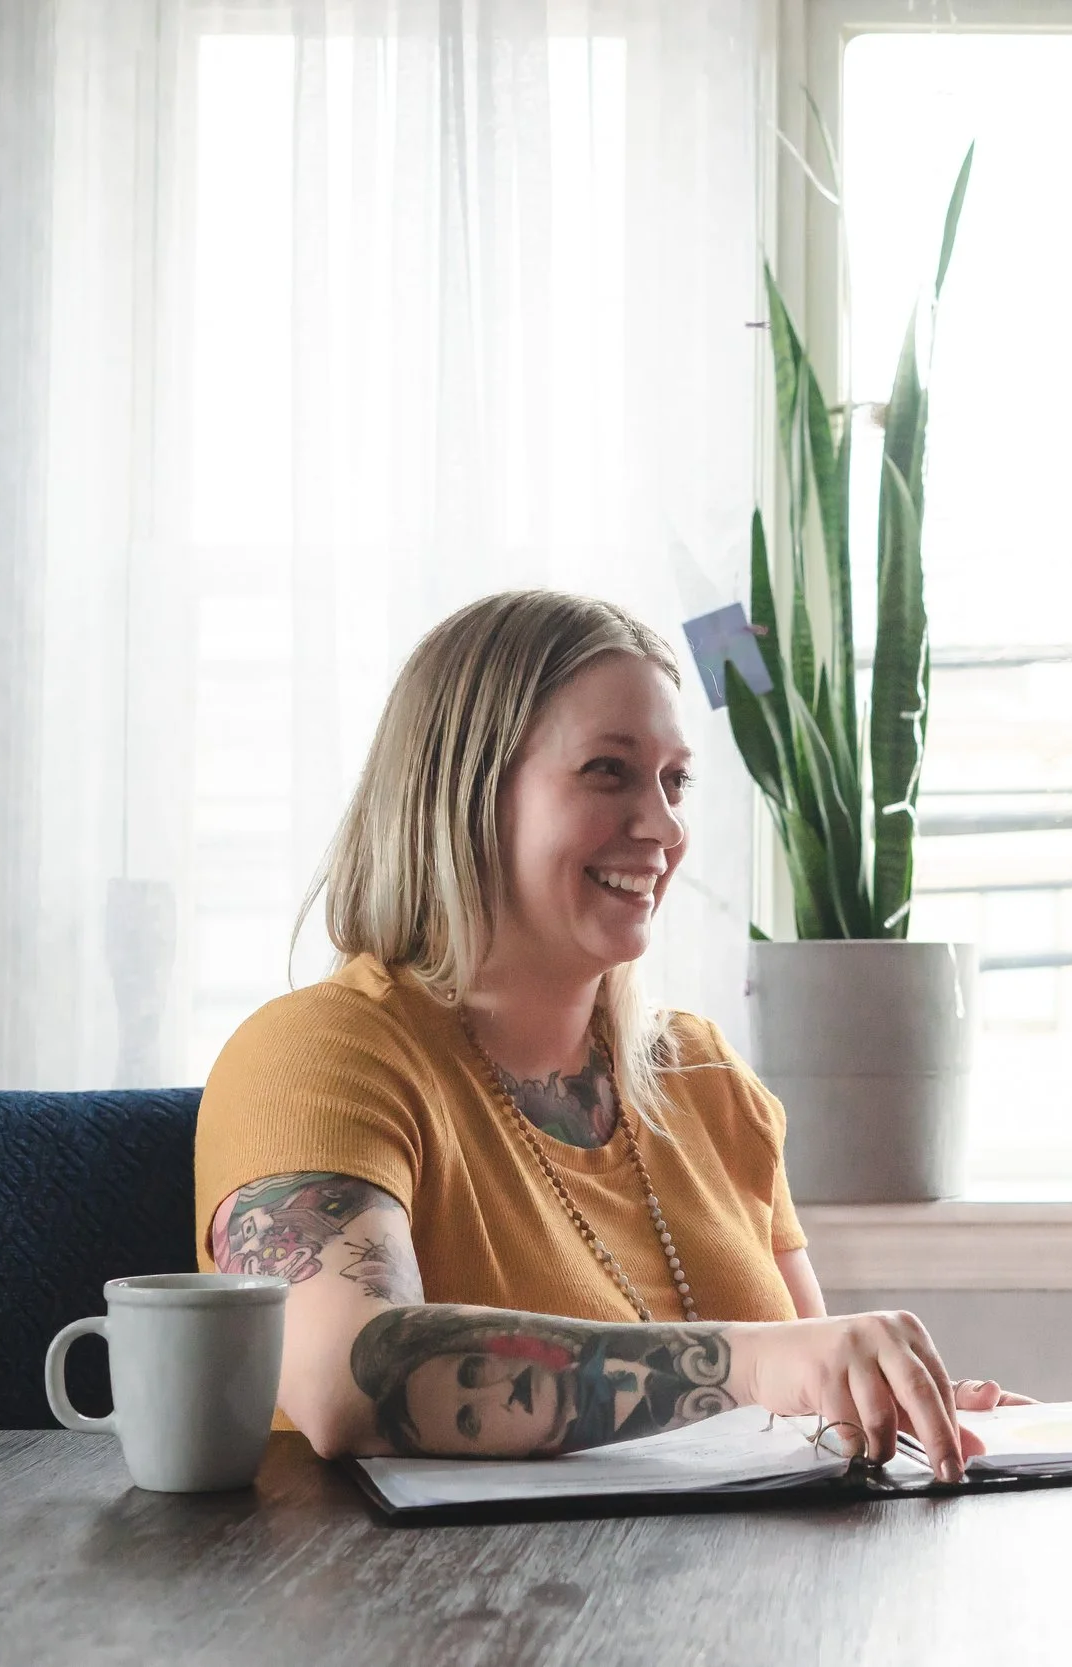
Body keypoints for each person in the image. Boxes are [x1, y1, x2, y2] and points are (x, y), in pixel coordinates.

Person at [198, 590, 1013, 1477]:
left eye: (675, 781)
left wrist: (894, 1411)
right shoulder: (316, 1055)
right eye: (607, 771)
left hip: (730, 1604)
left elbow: (808, 1403)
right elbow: (344, 1380)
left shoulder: (703, 1073)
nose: (664, 827)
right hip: (433, 1609)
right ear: (465, 790)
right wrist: (754, 1365)